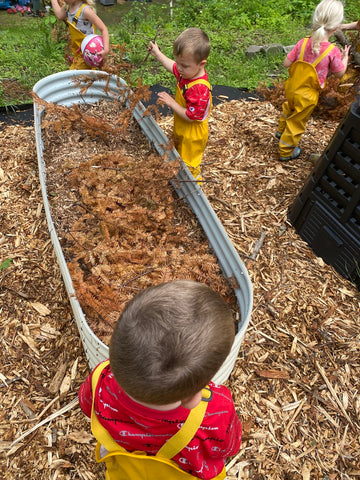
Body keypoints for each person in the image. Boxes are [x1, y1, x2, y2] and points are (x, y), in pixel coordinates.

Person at [79, 280, 242, 480]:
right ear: (193, 399)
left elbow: (86, 405)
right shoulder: (215, 410)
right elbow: (228, 446)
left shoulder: (100, 379)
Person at [276, 0, 350, 162]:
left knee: (288, 108)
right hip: (307, 96)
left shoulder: (302, 42)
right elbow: (340, 73)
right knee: (297, 122)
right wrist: (344, 58)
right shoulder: (332, 51)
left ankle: (281, 130)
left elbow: (286, 63)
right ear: (336, 27)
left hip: (292, 88)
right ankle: (286, 150)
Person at [147, 28, 212, 183]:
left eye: (184, 65)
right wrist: (157, 54)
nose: (179, 68)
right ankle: (179, 177)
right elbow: (172, 66)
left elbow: (192, 116)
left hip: (193, 133)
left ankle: (194, 189)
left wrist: (171, 102)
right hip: (182, 126)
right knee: (179, 154)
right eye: (178, 63)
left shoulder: (199, 89)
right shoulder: (188, 72)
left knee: (190, 164)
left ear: (201, 64)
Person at [50, 0, 109, 70]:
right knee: (82, 77)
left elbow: (103, 29)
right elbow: (59, 15)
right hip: (78, 53)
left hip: (88, 53)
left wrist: (106, 50)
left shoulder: (86, 10)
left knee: (76, 77)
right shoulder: (68, 7)